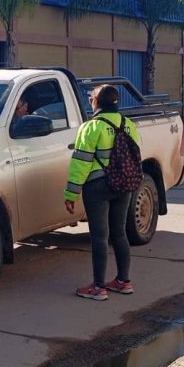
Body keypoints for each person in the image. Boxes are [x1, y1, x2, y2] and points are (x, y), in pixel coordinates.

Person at [63, 84, 141, 301]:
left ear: (97, 102)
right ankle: (123, 281)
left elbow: (81, 162)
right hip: (123, 185)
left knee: (99, 237)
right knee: (119, 233)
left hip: (97, 186)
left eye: (91, 97)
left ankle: (98, 288)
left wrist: (71, 193)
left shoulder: (91, 127)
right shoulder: (128, 125)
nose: (90, 100)